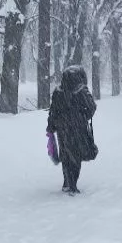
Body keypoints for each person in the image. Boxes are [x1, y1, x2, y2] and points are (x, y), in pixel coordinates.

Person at [46, 65, 97, 194]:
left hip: (62, 129)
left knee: (66, 155)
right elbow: (92, 107)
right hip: (78, 129)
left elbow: (53, 111)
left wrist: (51, 127)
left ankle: (67, 182)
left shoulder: (58, 92)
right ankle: (72, 185)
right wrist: (83, 116)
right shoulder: (81, 90)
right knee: (76, 155)